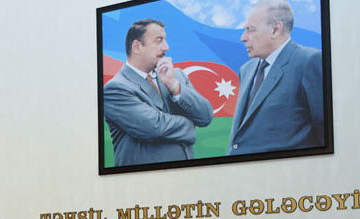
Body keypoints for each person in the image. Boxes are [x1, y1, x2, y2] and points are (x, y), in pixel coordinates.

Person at [104, 19, 213, 167]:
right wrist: (189, 124)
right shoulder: (116, 88)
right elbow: (153, 127)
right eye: (159, 40)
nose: (166, 47)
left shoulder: (176, 76)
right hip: (145, 179)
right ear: (137, 46)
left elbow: (205, 116)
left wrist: (173, 86)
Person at [228, 0, 324, 155]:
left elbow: (325, 133)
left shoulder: (308, 62)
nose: (243, 38)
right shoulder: (246, 70)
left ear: (275, 29)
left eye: (250, 30)